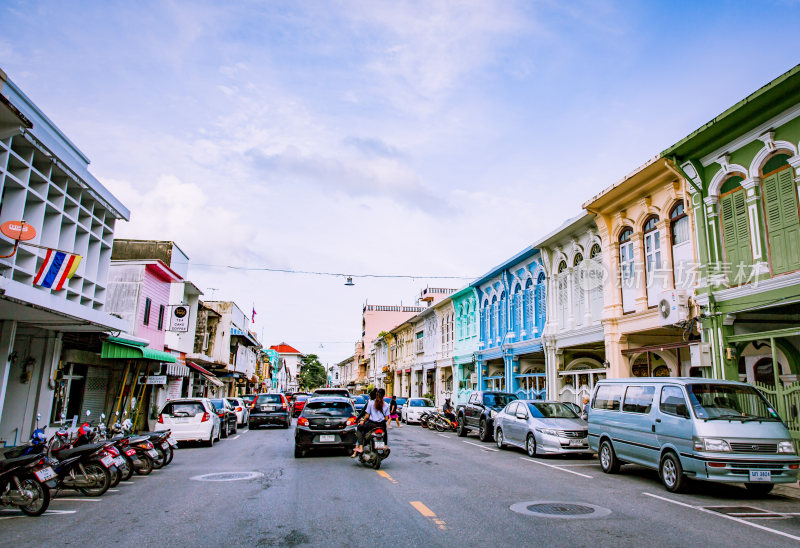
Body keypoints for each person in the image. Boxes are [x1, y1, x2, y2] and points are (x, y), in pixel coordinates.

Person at [352, 388, 389, 456]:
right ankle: (385, 446)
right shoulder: (386, 405)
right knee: (385, 431)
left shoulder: (371, 403)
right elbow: (386, 418)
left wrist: (364, 421)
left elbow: (366, 416)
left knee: (359, 428)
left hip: (372, 425)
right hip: (382, 425)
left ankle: (360, 447)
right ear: (384, 395)